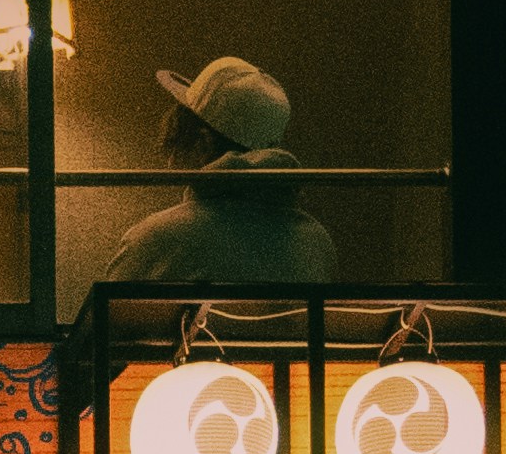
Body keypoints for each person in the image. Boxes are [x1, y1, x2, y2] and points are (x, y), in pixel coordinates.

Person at [104, 49, 338, 294]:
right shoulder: (316, 243)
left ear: (202, 143)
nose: (171, 158)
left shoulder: (156, 239)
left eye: (178, 136)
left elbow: (99, 330)